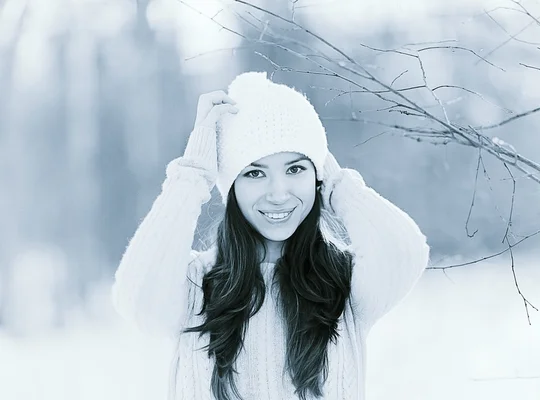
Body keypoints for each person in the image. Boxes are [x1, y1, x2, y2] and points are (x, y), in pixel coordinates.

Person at [111, 71, 430, 400]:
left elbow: (404, 252)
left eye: (295, 169)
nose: (278, 193)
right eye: (254, 172)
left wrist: (335, 184)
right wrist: (192, 175)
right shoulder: (195, 286)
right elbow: (138, 297)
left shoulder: (344, 284)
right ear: (231, 187)